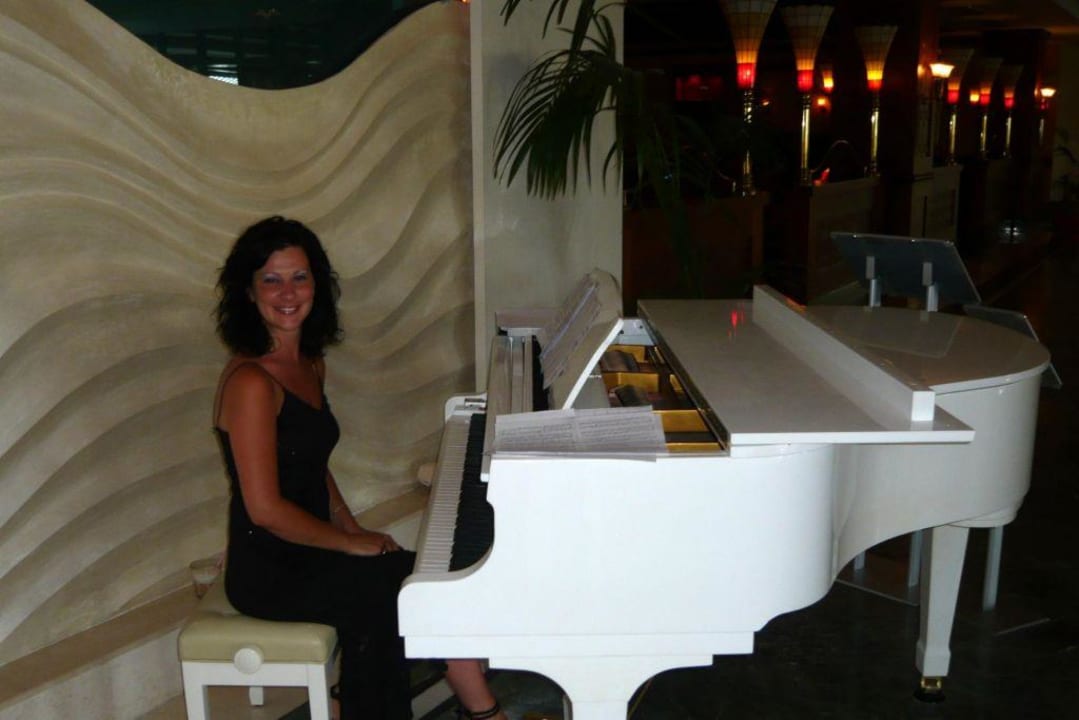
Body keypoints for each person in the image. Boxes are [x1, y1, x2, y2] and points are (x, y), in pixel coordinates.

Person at [213, 216, 505, 720]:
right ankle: (473, 709)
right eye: (271, 279)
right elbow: (264, 509)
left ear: (317, 285)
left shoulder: (309, 363)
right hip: (269, 567)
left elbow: (310, 464)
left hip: (312, 546)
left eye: (300, 277)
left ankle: (427, 700)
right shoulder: (252, 383)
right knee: (384, 597)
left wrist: (352, 527)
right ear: (248, 290)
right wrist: (348, 544)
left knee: (422, 579)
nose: (288, 293)